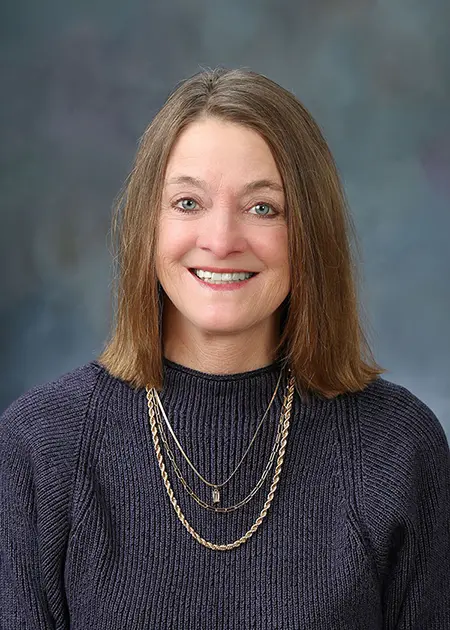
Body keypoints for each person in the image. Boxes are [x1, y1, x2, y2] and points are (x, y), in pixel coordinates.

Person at [1, 67, 449, 630]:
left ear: (309, 232)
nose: (220, 240)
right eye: (188, 203)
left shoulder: (399, 448)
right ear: (149, 226)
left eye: (263, 207)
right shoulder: (41, 448)